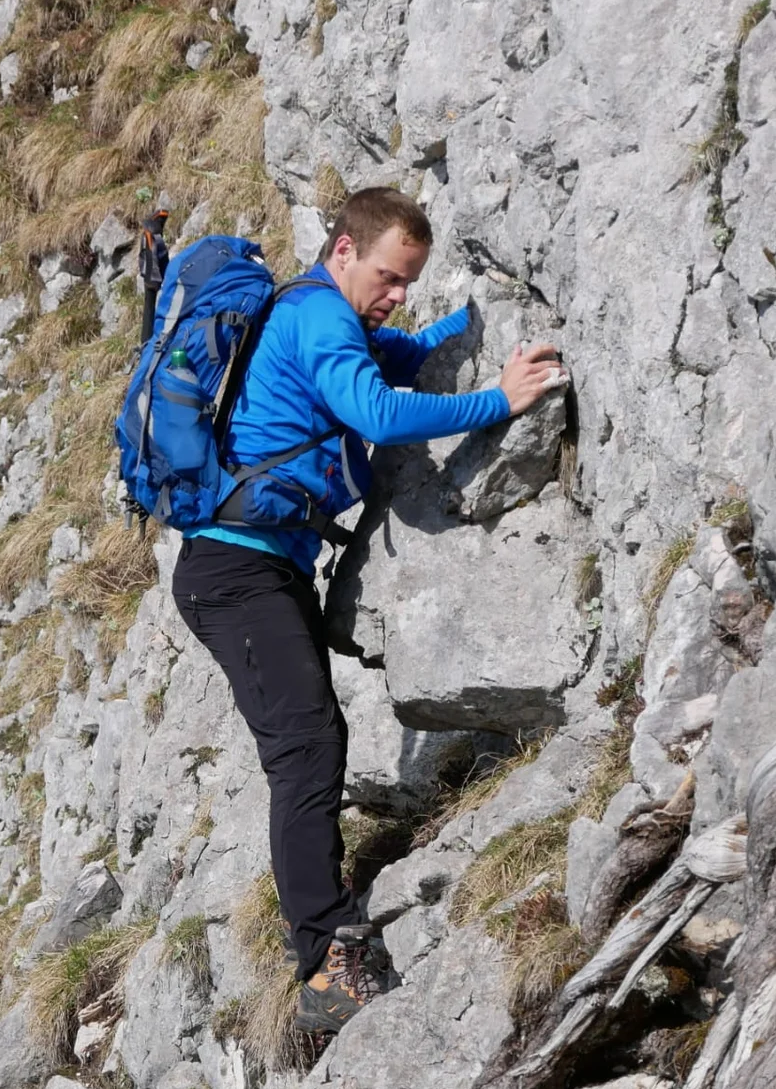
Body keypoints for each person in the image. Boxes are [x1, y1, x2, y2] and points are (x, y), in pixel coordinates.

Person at [171, 187, 566, 1035]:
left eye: (409, 282)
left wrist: (448, 338)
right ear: (341, 250)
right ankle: (324, 963)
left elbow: (393, 358)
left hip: (258, 568)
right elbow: (377, 412)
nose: (397, 294)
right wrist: (498, 399)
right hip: (235, 571)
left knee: (317, 740)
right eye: (389, 276)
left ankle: (326, 939)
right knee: (305, 745)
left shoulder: (323, 318)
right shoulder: (318, 319)